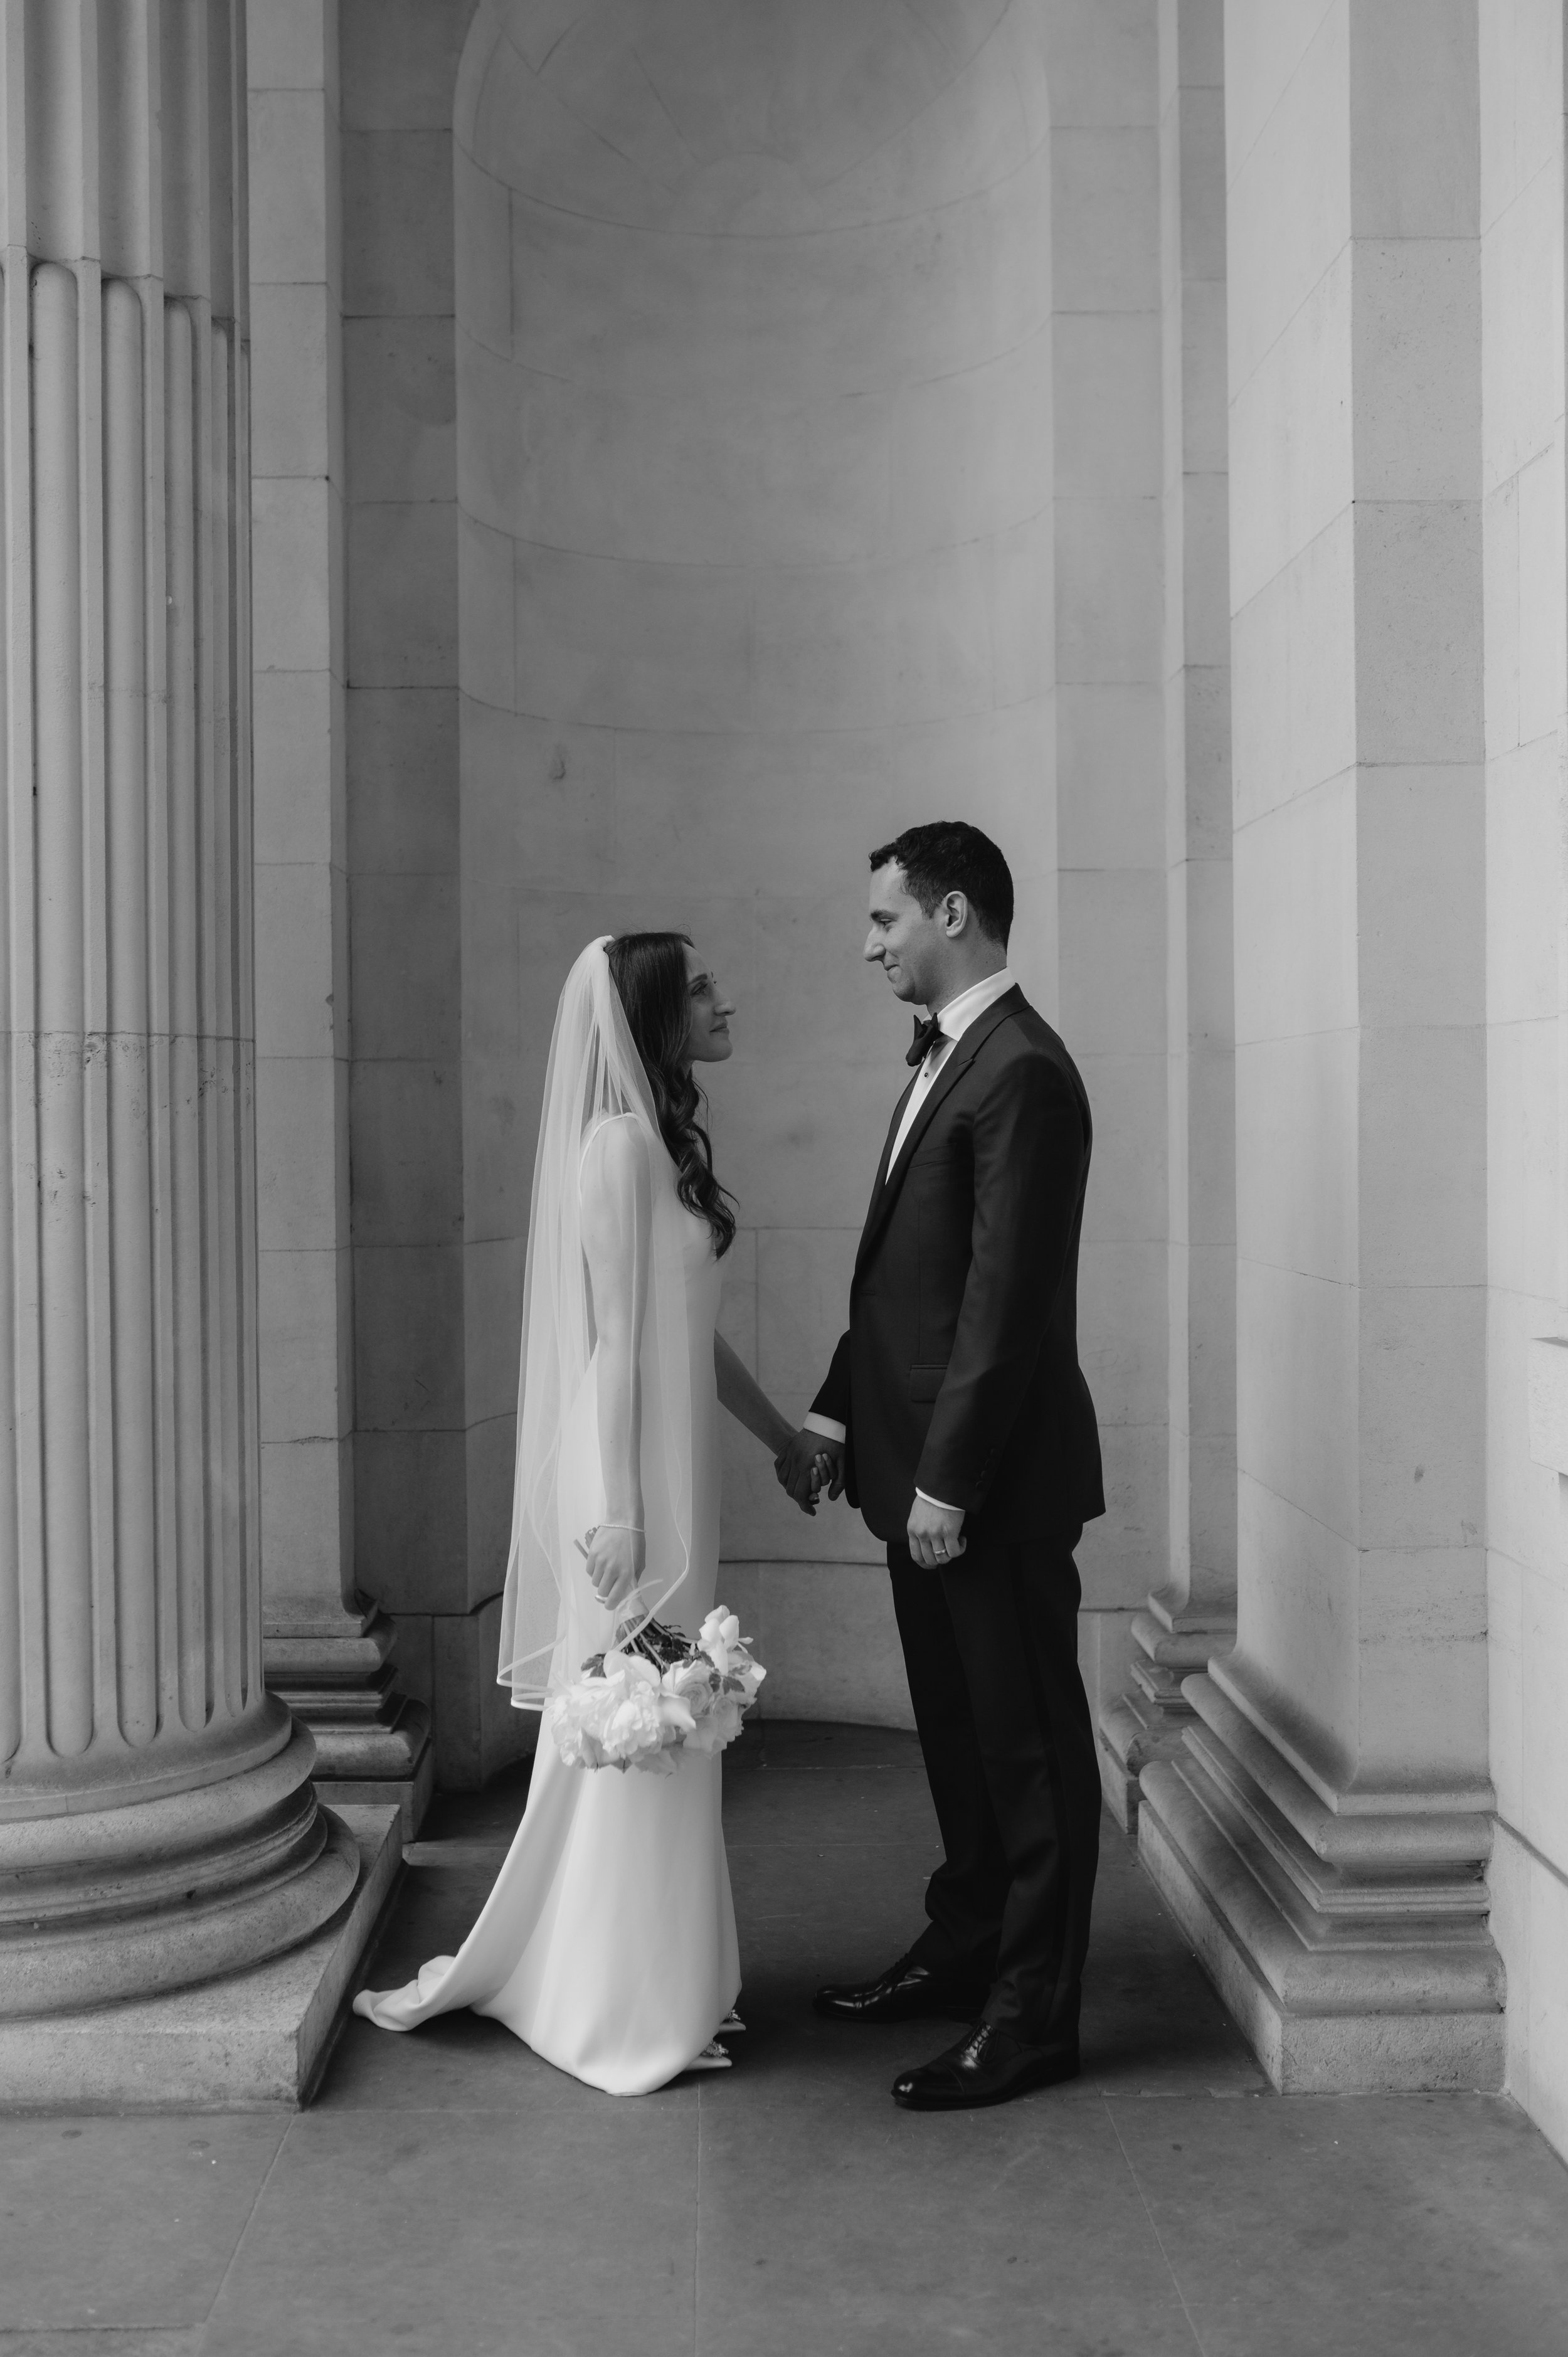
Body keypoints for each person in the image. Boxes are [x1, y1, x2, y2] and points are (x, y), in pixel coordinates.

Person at [354, 933, 815, 2095]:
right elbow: (613, 1342)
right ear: (653, 1016)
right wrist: (618, 1509)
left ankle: (667, 1979)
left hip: (673, 1472)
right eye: (699, 986)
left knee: (674, 1721)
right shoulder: (614, 1150)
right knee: (640, 1724)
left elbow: (687, 1334)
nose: (721, 998)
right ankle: (622, 2002)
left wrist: (782, 1441)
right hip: (627, 1484)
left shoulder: (660, 1146)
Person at [776, 822, 1105, 2111]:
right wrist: (836, 1418)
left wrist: (948, 1483)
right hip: (913, 1479)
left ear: (952, 912)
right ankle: (969, 1945)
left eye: (883, 921)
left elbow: (1004, 1305)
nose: (868, 946)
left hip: (986, 1491)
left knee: (1026, 1752)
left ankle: (1032, 2017)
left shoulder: (1020, 1068)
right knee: (962, 1743)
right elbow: (901, 1287)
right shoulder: (947, 1059)